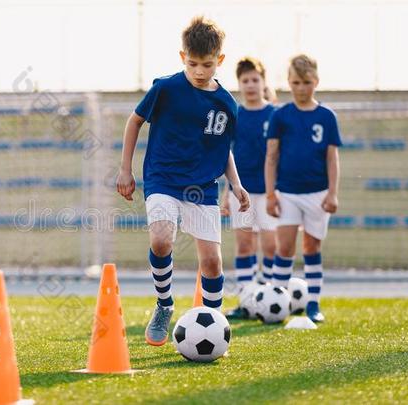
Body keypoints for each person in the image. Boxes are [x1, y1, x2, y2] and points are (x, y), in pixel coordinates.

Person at [116, 16, 250, 346]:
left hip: (202, 187)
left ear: (219, 60)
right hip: (163, 178)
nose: (200, 71)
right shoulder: (166, 88)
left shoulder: (226, 104)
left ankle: (215, 327)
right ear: (182, 58)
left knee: (212, 262)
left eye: (207, 64)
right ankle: (164, 304)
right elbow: (134, 122)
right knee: (161, 240)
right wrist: (125, 169)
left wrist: (236, 184)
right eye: (192, 64)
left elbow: (223, 150)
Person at [265, 54, 342, 323]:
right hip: (286, 192)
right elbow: (271, 156)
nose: (301, 88)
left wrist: (332, 193)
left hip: (318, 194)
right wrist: (271, 194)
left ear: (316, 82)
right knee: (284, 248)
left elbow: (332, 158)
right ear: (289, 82)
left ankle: (313, 304)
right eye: (296, 82)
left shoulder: (327, 117)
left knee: (311, 247)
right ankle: (277, 301)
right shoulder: (281, 116)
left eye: (306, 82)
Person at [221, 57, 278, 319]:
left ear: (263, 82)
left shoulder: (275, 115)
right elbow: (226, 156)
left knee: (270, 246)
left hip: (269, 192)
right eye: (245, 80)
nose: (251, 84)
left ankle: (268, 297)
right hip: (240, 192)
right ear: (240, 84)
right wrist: (226, 193)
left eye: (255, 79)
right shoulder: (235, 115)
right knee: (245, 246)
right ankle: (246, 301)